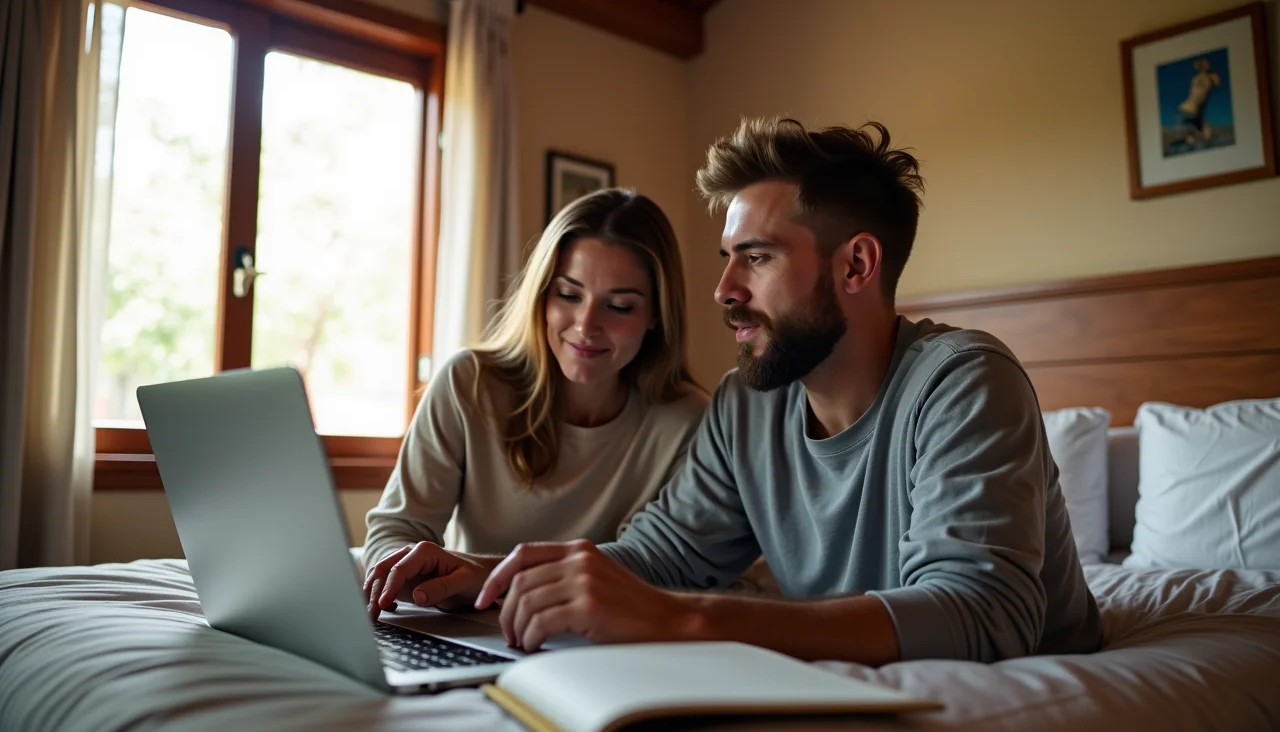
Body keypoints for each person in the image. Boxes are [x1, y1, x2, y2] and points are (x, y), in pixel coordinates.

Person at [376, 118, 1103, 666]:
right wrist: (492, 574)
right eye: (728, 259)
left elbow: (981, 615)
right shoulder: (745, 405)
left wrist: (685, 620)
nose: (723, 290)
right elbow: (659, 559)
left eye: (755, 258)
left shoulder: (964, 380)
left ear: (856, 265)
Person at [362, 189, 708, 618]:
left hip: (598, 644)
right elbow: (396, 529)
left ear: (656, 314)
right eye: (568, 295)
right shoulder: (468, 385)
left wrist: (487, 578)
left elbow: (657, 568)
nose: (586, 326)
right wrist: (407, 573)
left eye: (619, 306)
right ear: (542, 295)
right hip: (470, 628)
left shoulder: (689, 422)